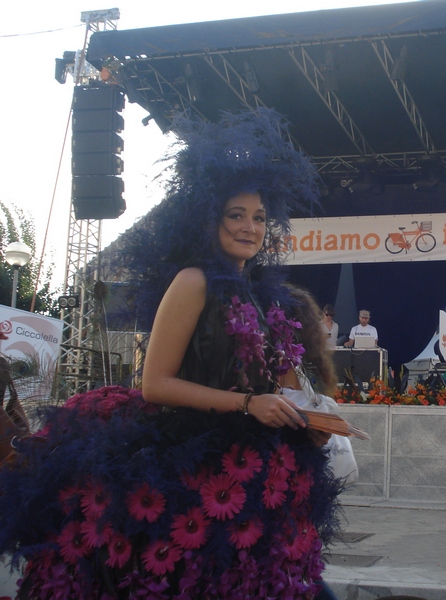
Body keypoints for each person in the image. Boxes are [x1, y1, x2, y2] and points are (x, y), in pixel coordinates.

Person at [0, 109, 342, 598]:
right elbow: (154, 385)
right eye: (236, 215)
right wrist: (248, 405)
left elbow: (280, 381)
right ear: (210, 220)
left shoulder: (270, 298)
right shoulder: (193, 281)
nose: (250, 227)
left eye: (260, 218)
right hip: (195, 462)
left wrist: (311, 417)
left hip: (260, 466)